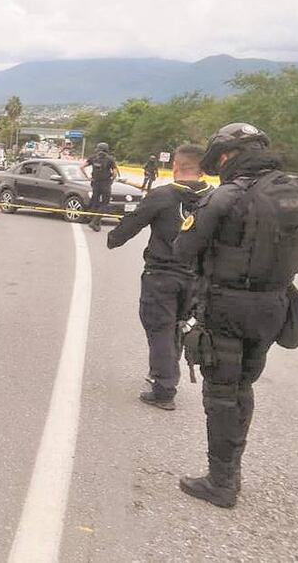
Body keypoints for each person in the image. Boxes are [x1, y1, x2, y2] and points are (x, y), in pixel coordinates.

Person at [174, 122, 298, 508]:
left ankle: (222, 482)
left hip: (227, 307)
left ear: (226, 156)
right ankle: (231, 469)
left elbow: (183, 249)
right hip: (274, 306)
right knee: (243, 386)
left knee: (222, 392)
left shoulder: (226, 197)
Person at [107, 144, 212, 410]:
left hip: (163, 274)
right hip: (197, 277)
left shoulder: (162, 195)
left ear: (175, 166)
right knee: (179, 325)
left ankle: (164, 387)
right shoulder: (216, 198)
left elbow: (132, 223)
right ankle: (166, 372)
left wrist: (114, 238)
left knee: (160, 328)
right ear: (202, 169)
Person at [80, 142, 118, 232]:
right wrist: (111, 180)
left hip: (95, 183)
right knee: (105, 204)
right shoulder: (110, 159)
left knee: (95, 203)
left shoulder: (93, 158)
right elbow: (115, 173)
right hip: (105, 183)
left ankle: (96, 223)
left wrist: (88, 177)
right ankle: (94, 222)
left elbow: (81, 167)